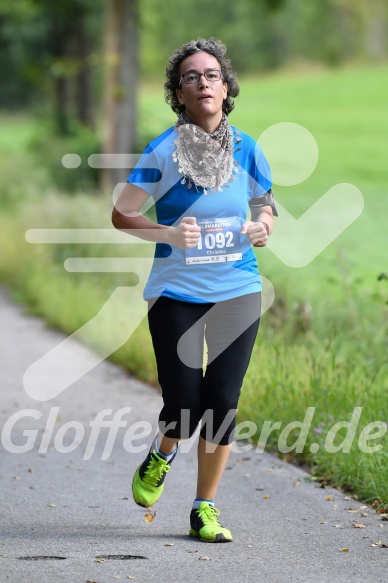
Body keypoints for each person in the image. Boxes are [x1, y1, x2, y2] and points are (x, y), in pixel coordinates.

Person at [112, 37, 277, 543]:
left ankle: (204, 507)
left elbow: (265, 202)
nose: (202, 82)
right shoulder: (163, 151)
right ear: (178, 94)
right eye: (190, 77)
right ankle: (163, 452)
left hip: (238, 288)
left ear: (225, 88)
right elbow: (122, 213)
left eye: (210, 75)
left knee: (222, 400)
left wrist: (263, 225)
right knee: (184, 405)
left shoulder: (248, 148)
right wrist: (165, 233)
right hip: (176, 293)